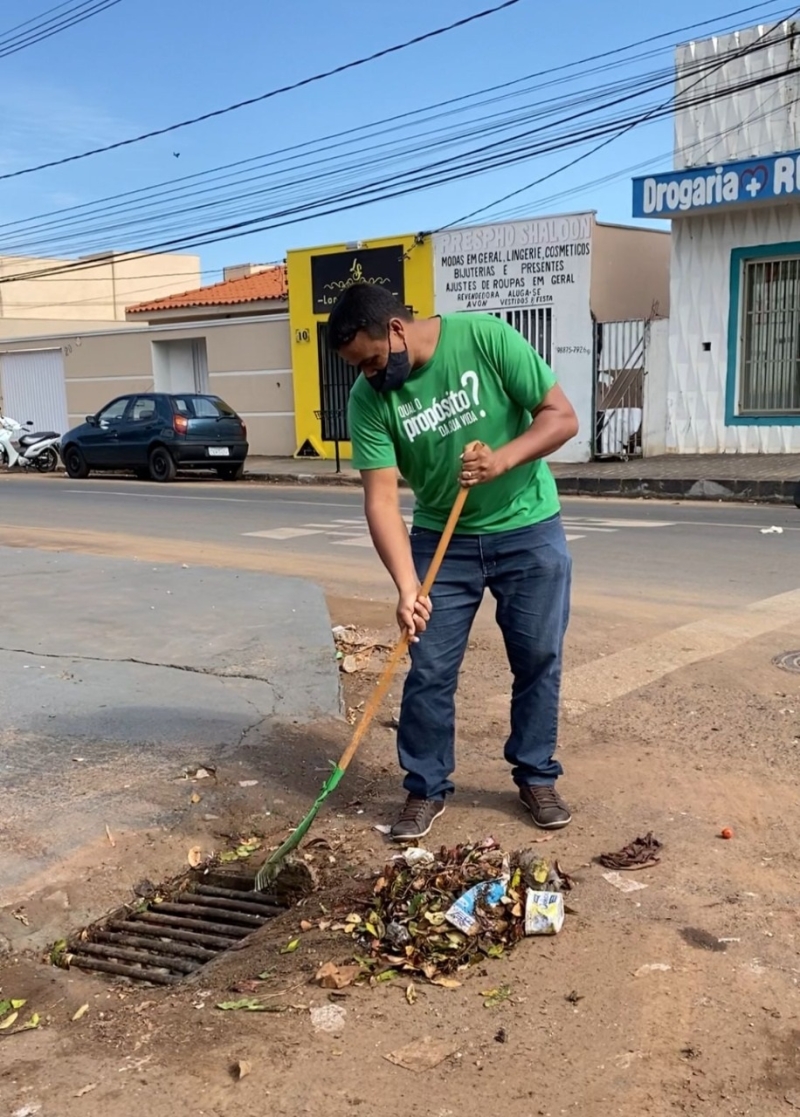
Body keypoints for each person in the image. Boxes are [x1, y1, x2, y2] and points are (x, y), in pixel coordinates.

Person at [328, 282, 579, 842]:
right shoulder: (369, 400)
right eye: (358, 369)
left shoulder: (483, 338)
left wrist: (503, 459)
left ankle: (536, 774)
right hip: (444, 537)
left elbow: (560, 416)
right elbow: (382, 499)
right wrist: (406, 585)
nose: (369, 376)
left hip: (528, 527)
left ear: (395, 329)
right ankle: (425, 787)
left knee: (539, 657)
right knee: (431, 668)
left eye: (371, 362)